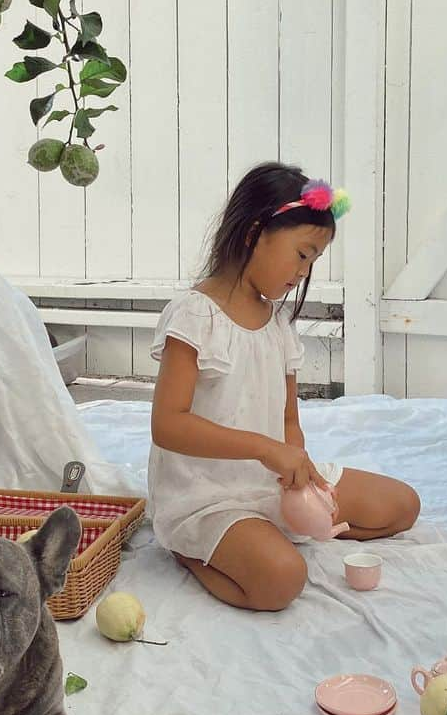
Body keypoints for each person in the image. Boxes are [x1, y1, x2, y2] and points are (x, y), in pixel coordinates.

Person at [149, 161, 420, 610]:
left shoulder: (276, 323)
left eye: (314, 259)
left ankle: (276, 533)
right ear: (255, 233)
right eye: (302, 254)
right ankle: (188, 549)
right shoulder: (195, 316)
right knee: (281, 581)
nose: (304, 271)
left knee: (402, 505)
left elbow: (288, 419)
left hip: (268, 482)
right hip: (206, 495)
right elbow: (167, 426)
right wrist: (265, 448)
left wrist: (300, 475)